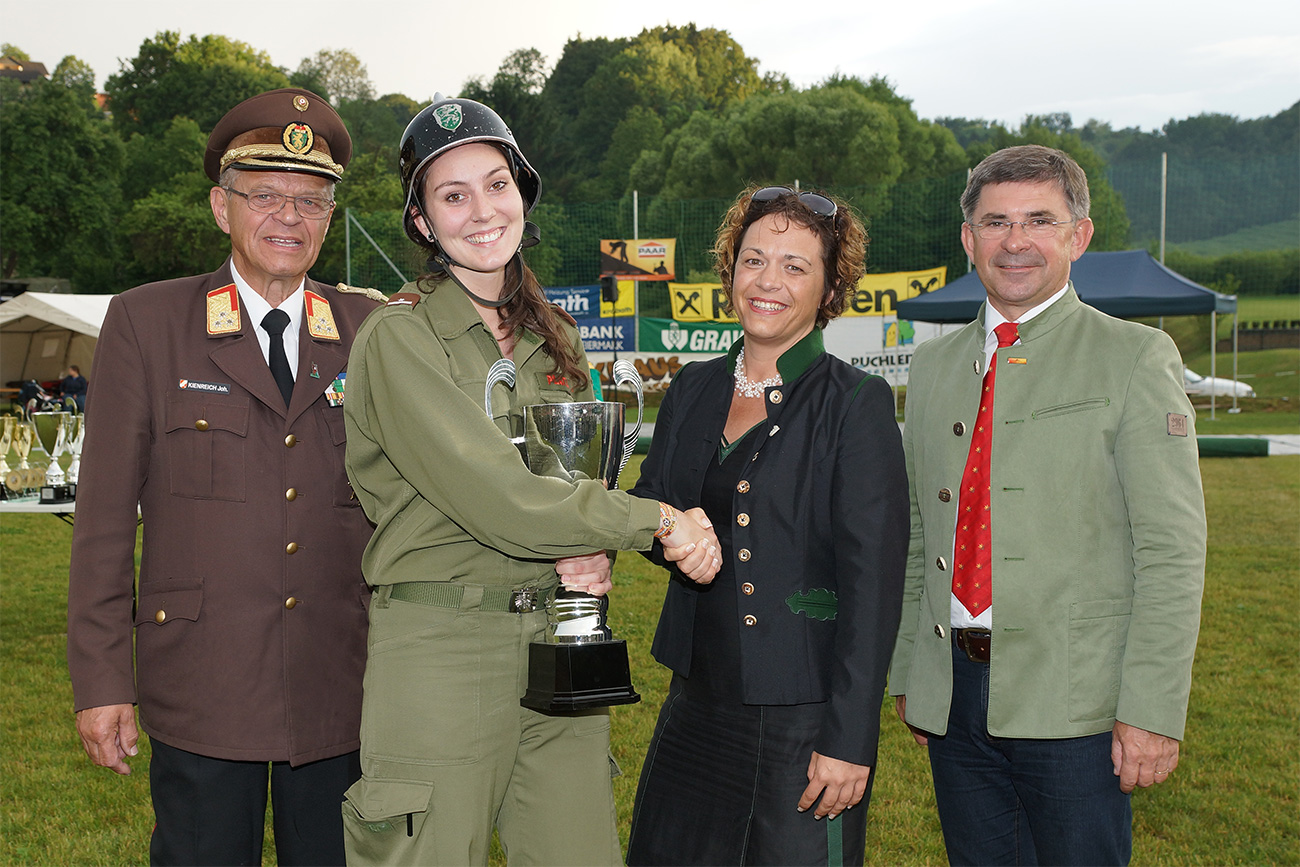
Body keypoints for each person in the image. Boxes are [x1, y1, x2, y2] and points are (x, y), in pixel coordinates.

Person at [339, 95, 720, 867]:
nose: (483, 211)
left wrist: (585, 551)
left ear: (522, 193)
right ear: (422, 222)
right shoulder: (399, 338)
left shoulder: (556, 337)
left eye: (497, 184)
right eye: (453, 195)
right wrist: (654, 521)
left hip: (559, 636)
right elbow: (500, 498)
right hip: (444, 645)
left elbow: (562, 485)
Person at [67, 87, 384, 866]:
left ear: (330, 218)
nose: (289, 217)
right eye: (265, 195)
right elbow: (103, 521)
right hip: (203, 685)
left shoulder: (372, 331)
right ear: (221, 206)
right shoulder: (148, 323)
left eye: (311, 201)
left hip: (340, 685)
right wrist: (102, 680)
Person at [888, 145, 1207, 866]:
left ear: (1078, 236)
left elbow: (1171, 551)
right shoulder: (933, 366)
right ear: (968, 238)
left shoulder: (1134, 356)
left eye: (1039, 220)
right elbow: (918, 533)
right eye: (996, 222)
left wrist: (1151, 708)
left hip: (1080, 703)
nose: (1016, 241)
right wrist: (911, 669)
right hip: (954, 695)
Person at [625, 185, 910, 866]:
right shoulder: (692, 387)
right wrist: (670, 531)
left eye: (794, 266)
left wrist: (849, 739)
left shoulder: (855, 402)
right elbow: (651, 503)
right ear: (731, 272)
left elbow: (873, 587)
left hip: (802, 717)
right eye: (753, 260)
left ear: (829, 288)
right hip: (696, 703)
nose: (768, 281)